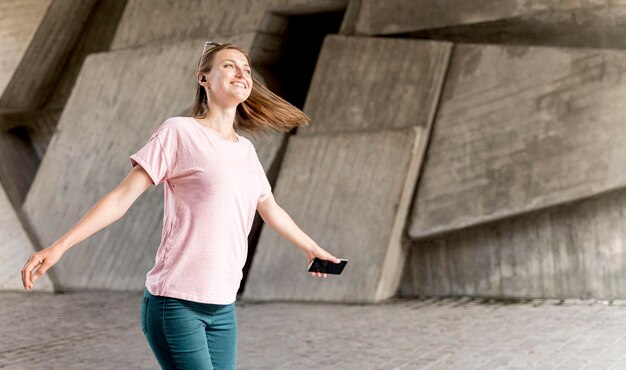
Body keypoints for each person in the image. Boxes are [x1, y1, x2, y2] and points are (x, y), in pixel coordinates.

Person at [21, 41, 341, 370]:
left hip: (223, 307)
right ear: (203, 78)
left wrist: (311, 248)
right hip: (176, 304)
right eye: (230, 65)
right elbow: (121, 197)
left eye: (246, 69)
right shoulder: (179, 132)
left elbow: (270, 208)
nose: (241, 73)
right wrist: (59, 246)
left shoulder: (245, 150)